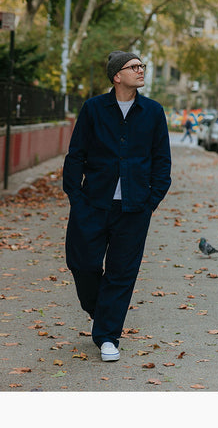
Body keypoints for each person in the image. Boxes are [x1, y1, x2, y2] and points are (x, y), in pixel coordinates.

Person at [62, 50, 171, 362]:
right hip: (94, 203)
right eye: (133, 67)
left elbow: (162, 161)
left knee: (122, 274)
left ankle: (108, 336)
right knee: (82, 263)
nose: (140, 70)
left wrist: (151, 201)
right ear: (116, 76)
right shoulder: (94, 109)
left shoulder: (153, 111)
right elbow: (76, 155)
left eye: (141, 66)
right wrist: (76, 198)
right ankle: (103, 313)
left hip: (135, 208)